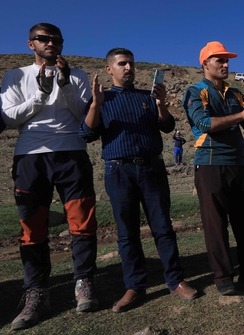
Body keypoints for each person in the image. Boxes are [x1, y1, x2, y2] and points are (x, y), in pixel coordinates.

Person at [80, 48, 198, 312]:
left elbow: (167, 127)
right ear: (110, 69)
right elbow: (86, 133)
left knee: (163, 227)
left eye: (131, 63)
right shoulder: (103, 99)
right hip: (118, 171)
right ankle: (134, 286)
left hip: (152, 169)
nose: (128, 68)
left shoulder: (148, 96)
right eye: (122, 63)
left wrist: (161, 105)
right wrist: (96, 104)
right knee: (126, 233)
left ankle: (175, 280)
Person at [1, 23, 99, 330]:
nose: (51, 44)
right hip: (31, 156)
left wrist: (65, 83)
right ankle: (36, 293)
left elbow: (84, 115)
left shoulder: (78, 75)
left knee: (81, 223)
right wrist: (40, 97)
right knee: (32, 227)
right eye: (44, 39)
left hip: (71, 152)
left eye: (57, 40)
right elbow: (7, 118)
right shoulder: (15, 75)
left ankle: (84, 282)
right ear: (31, 43)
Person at [182, 42, 244, 295]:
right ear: (205, 64)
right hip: (210, 163)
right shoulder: (195, 92)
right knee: (215, 224)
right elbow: (204, 124)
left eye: (227, 61)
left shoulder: (235, 93)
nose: (225, 65)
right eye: (219, 60)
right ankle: (223, 277)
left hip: (237, 162)